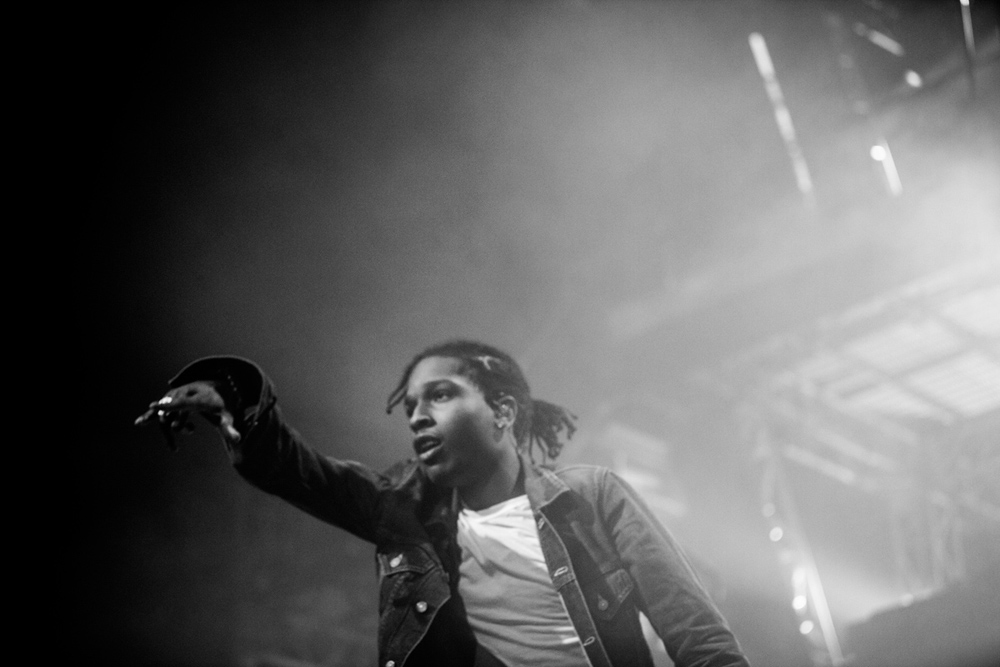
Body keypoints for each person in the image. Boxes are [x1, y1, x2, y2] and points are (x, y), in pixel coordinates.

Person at [136, 340, 750, 667]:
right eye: (409, 408)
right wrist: (237, 401)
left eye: (440, 395)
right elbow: (305, 475)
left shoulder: (590, 497)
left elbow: (700, 639)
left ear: (503, 413)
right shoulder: (405, 514)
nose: (419, 417)